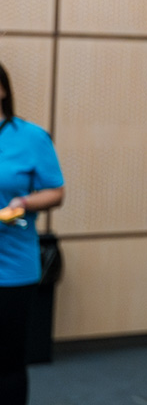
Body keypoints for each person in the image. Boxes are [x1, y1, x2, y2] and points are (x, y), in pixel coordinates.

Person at [0, 62, 64, 405]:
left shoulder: (31, 137)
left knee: (7, 362)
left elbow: (56, 192)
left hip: (11, 267)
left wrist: (22, 203)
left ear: (2, 90)